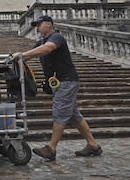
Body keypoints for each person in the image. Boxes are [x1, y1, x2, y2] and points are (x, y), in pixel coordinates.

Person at [13, 15, 102, 161]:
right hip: (60, 82)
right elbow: (30, 55)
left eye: (39, 24)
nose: (36, 27)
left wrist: (22, 55)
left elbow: (47, 49)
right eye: (35, 25)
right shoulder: (41, 42)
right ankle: (93, 145)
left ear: (49, 24)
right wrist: (13, 58)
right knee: (74, 115)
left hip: (66, 80)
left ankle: (51, 148)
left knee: (59, 112)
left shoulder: (56, 37)